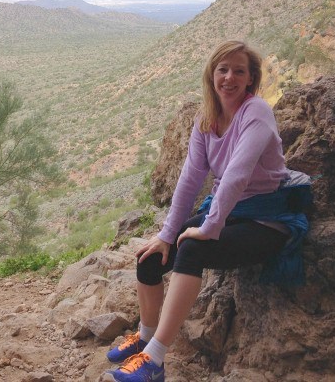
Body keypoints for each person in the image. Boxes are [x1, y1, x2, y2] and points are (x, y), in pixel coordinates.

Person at [101, 40, 311, 382]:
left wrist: (210, 227)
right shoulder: (206, 119)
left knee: (193, 248)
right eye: (222, 69)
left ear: (250, 78)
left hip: (267, 218)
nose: (229, 77)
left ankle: (154, 361)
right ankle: (144, 337)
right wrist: (167, 234)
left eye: (238, 71)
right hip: (230, 211)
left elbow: (237, 175)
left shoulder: (256, 112)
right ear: (211, 74)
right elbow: (189, 180)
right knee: (150, 256)